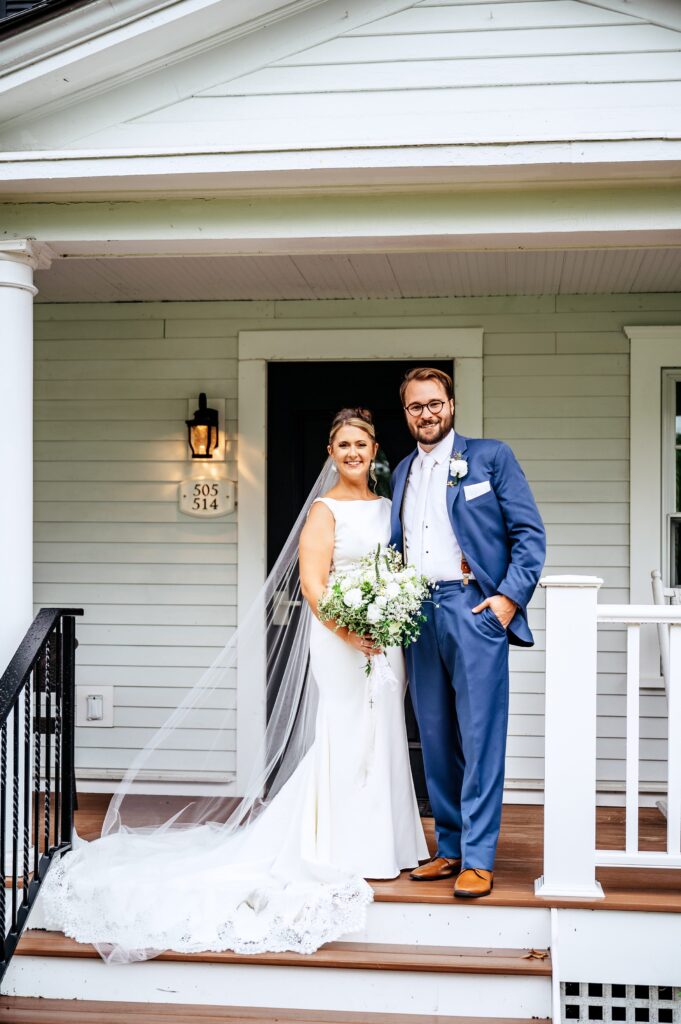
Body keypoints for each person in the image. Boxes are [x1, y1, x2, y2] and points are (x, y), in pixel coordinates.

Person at [39, 407, 426, 962]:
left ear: (374, 449)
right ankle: (340, 845)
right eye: (342, 445)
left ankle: (389, 843)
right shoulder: (324, 511)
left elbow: (395, 570)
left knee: (382, 732)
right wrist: (353, 631)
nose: (353, 453)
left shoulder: (389, 509)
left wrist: (386, 621)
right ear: (330, 452)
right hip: (341, 639)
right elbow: (316, 588)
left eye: (361, 444)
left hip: (383, 638)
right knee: (344, 732)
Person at [390, 367, 546, 899]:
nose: (427, 413)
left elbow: (528, 534)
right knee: (433, 735)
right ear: (407, 414)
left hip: (473, 606)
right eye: (416, 406)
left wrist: (506, 600)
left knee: (479, 735)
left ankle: (478, 858)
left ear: (451, 406)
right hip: (417, 611)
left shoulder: (490, 457)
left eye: (435, 403)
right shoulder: (402, 472)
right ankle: (450, 847)